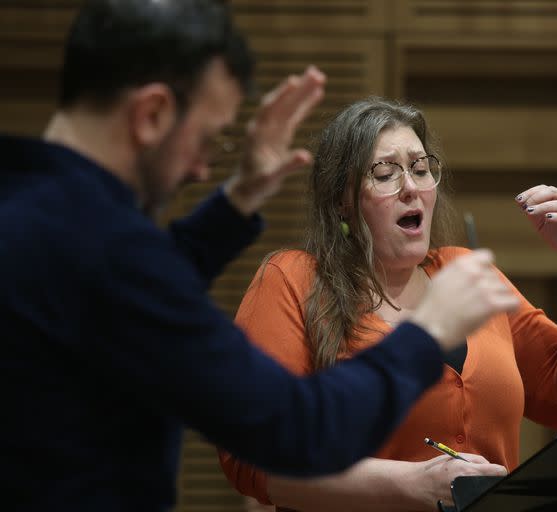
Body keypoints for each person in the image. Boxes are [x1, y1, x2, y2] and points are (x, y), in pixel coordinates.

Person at [0, 2, 520, 511]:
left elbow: (121, 284)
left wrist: (237, 200)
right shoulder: (115, 251)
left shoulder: (30, 209)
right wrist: (427, 333)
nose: (202, 168)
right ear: (153, 113)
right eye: (205, 137)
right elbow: (294, 430)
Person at [219, 98, 557, 511]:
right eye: (385, 173)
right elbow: (250, 454)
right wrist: (413, 483)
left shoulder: (463, 271)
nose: (411, 186)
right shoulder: (294, 279)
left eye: (419, 168)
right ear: (343, 199)